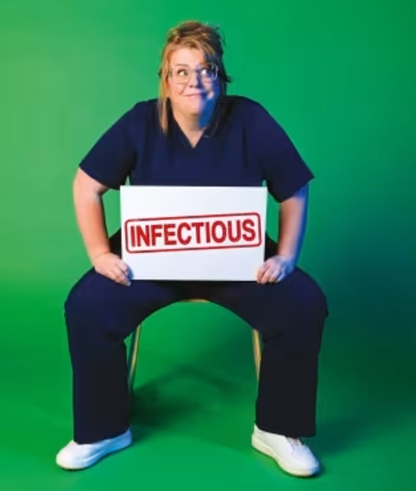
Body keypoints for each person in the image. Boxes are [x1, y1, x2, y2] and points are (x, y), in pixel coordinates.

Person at [56, 20, 328, 478]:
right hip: (151, 258)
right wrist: (101, 255)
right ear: (165, 77)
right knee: (86, 306)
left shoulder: (251, 119)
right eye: (180, 71)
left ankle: (278, 429)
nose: (193, 80)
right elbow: (86, 185)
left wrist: (285, 256)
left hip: (235, 257)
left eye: (205, 70)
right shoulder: (140, 121)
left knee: (303, 303)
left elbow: (294, 188)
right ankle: (104, 429)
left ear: (220, 77)